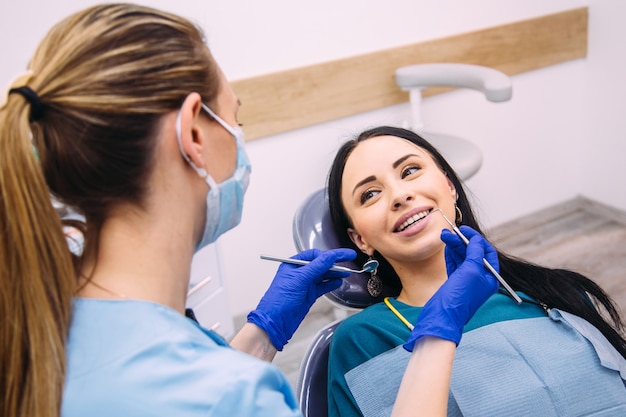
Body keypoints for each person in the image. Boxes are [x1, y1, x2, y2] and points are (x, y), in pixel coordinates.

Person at [0, 5, 501, 417]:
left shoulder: (43, 321)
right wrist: (437, 335)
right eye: (235, 118)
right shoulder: (235, 395)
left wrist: (262, 332)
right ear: (194, 132)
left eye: (411, 170)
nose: (398, 194)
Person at [326, 126, 626, 417]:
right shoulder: (364, 339)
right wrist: (439, 328)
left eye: (409, 171)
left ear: (449, 186)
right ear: (360, 240)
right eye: (370, 194)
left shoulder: (561, 292)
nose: (399, 196)